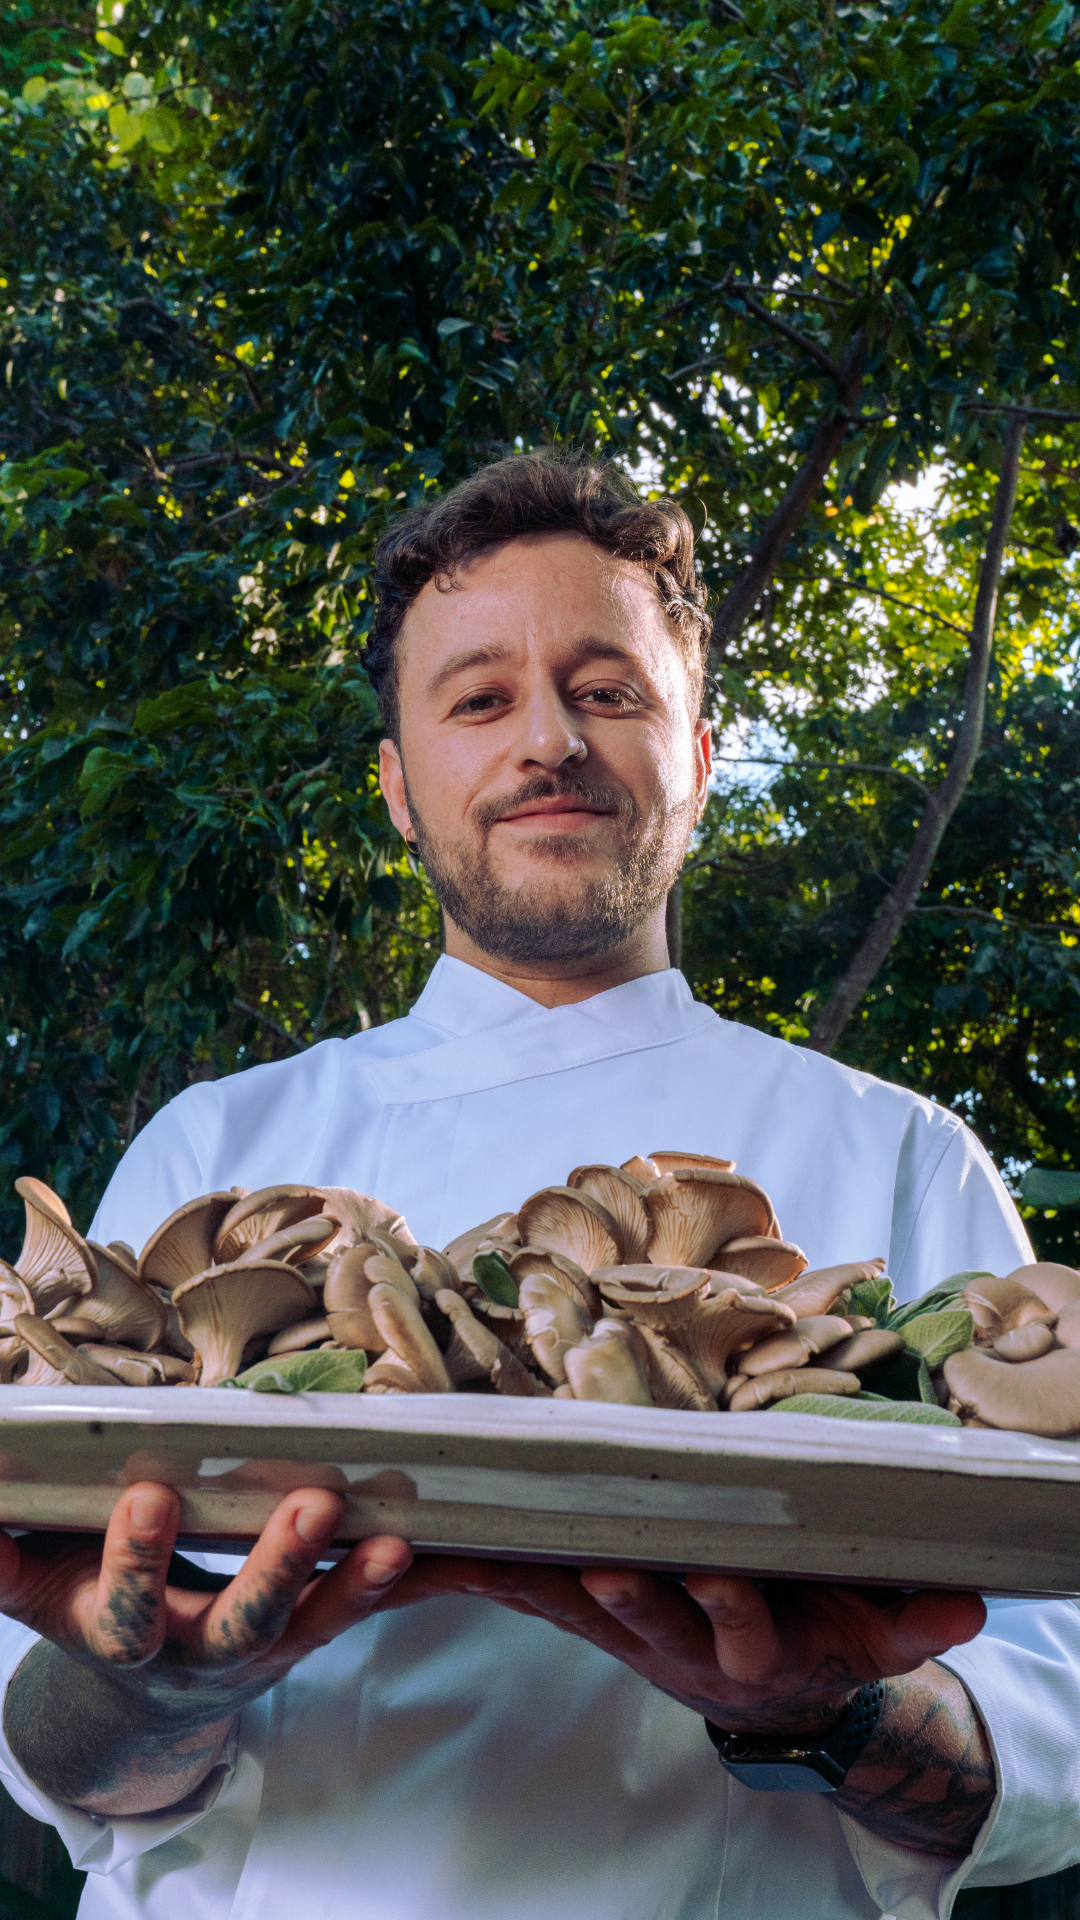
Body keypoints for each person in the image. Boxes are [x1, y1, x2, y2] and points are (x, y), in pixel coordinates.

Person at [0, 451, 1076, 1920]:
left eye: (609, 690)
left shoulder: (903, 1155)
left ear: (702, 754)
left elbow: (1054, 1722)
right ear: (397, 787)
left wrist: (827, 1711)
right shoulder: (213, 1155)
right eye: (479, 699)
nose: (551, 742)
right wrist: (160, 1685)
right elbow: (49, 1746)